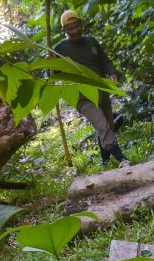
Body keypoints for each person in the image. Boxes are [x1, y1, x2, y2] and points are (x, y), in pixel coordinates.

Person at [54, 9, 129, 167]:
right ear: (65, 30)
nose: (74, 31)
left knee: (107, 125)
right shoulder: (59, 49)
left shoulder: (91, 41)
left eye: (76, 26)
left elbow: (105, 61)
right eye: (70, 28)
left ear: (81, 24)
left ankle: (105, 162)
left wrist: (112, 73)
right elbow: (54, 74)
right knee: (102, 124)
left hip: (101, 89)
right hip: (81, 96)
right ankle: (122, 160)